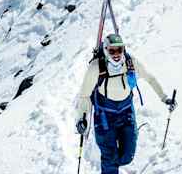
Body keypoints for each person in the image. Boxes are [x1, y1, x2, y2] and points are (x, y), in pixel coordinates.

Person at [74, 34, 174, 174]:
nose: (116, 54)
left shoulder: (130, 62)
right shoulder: (96, 67)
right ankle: (110, 163)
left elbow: (150, 78)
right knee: (110, 157)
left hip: (126, 112)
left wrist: (164, 98)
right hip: (104, 115)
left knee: (127, 157)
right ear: (105, 50)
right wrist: (81, 118)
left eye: (119, 50)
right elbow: (84, 95)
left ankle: (114, 158)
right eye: (112, 50)